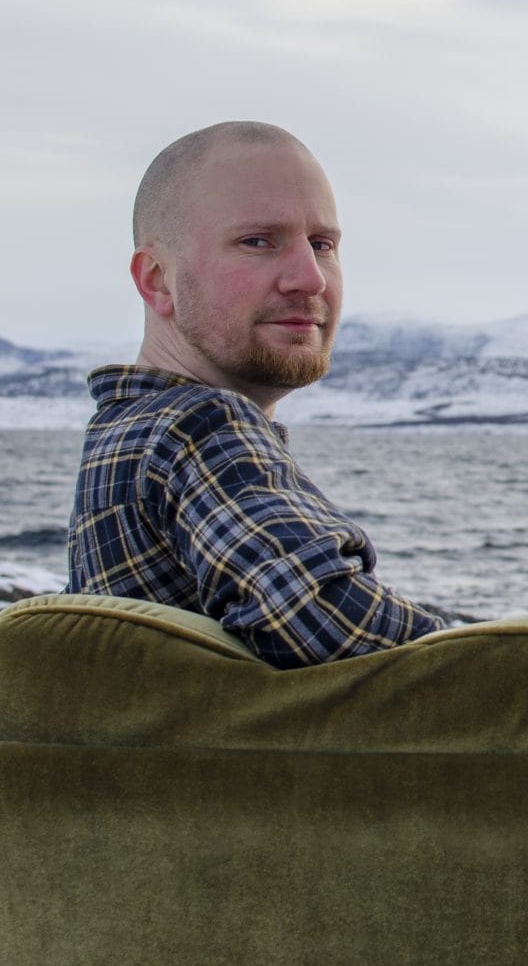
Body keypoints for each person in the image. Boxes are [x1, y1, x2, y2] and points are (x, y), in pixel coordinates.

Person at [65, 120, 447, 668]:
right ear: (157, 279)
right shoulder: (197, 427)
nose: (310, 278)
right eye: (258, 242)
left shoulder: (126, 431)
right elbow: (328, 624)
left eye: (322, 245)